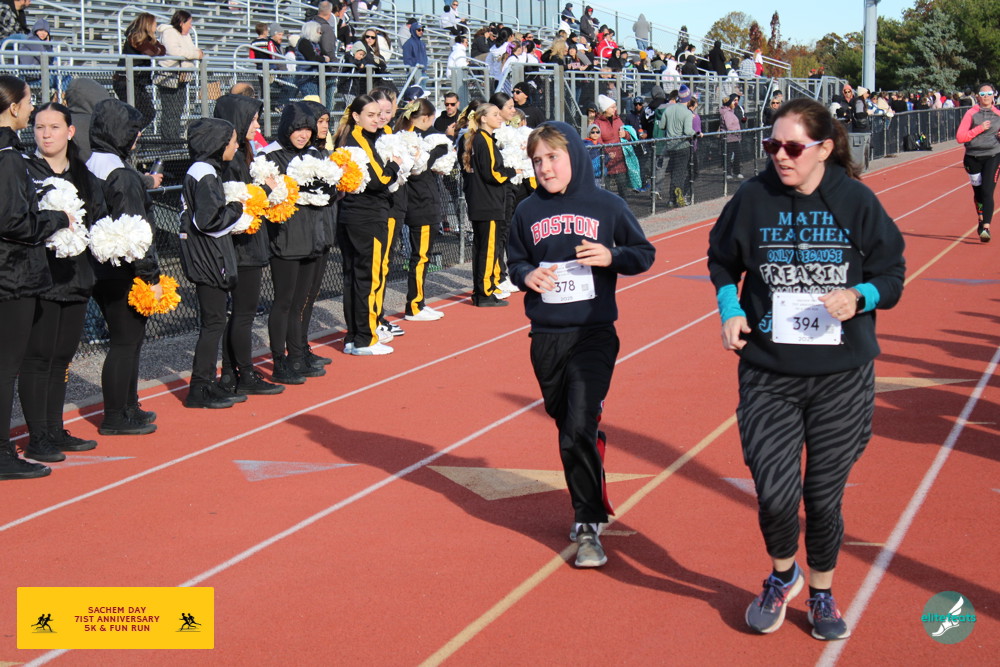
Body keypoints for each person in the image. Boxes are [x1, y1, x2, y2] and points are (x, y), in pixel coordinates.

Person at [707, 97, 905, 641]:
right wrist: (730, 308)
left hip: (841, 376)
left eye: (792, 147)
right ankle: (782, 574)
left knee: (821, 496)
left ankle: (821, 590)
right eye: (772, 145)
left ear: (823, 148)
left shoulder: (856, 201)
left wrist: (859, 296)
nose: (779, 155)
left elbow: (891, 275)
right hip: (768, 371)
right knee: (774, 493)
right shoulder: (753, 197)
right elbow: (722, 259)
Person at [507, 121, 654, 567]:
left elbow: (643, 253)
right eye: (537, 160)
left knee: (576, 427)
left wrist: (612, 256)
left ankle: (588, 524)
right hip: (546, 337)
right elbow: (515, 261)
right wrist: (527, 275)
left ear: (573, 155)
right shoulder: (526, 210)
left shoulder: (607, 205)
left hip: (594, 332)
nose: (545, 168)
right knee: (569, 426)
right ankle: (592, 449)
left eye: (553, 157)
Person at [19, 102, 106, 461]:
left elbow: (99, 219)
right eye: (39, 127)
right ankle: (37, 436)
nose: (46, 134)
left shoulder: (84, 175)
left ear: (70, 132)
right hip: (39, 278)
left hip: (76, 278)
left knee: (61, 358)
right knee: (38, 357)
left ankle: (54, 429)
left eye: (54, 127)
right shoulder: (25, 171)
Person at [0, 77, 69, 479]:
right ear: (13, 108)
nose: (31, 108)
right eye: (28, 102)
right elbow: (13, 222)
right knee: (7, 367)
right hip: (12, 275)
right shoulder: (9, 156)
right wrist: (56, 218)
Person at [87, 98, 162, 435]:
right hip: (122, 269)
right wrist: (151, 276)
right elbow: (136, 230)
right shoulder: (119, 172)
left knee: (128, 340)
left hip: (97, 265)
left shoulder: (89, 163)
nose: (138, 136)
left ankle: (129, 407)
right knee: (126, 341)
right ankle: (116, 415)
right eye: (134, 130)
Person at [213, 93, 285, 397]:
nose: (257, 126)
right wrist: (266, 191)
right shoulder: (230, 161)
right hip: (242, 245)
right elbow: (240, 203)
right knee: (243, 314)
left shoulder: (244, 154)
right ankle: (244, 374)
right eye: (253, 120)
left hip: (249, 242)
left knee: (241, 314)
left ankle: (231, 374)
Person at [179, 118, 249, 409]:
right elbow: (208, 221)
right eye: (231, 140)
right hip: (206, 257)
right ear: (217, 144)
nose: (236, 145)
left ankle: (206, 382)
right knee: (214, 322)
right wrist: (237, 209)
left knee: (215, 321)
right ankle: (200, 387)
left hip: (205, 255)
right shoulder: (205, 173)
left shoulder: (203, 170)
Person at [259, 103, 328, 381]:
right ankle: (279, 361)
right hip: (285, 239)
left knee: (301, 301)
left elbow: (327, 192)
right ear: (286, 128)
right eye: (298, 129)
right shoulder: (268, 155)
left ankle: (297, 356)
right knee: (284, 302)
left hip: (312, 236)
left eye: (308, 129)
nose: (303, 134)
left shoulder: (314, 153)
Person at [334, 93, 401, 354]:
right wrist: (394, 165)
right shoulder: (358, 140)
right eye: (370, 115)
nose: (377, 119)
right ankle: (365, 337)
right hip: (367, 217)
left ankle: (354, 337)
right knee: (367, 278)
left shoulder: (356, 138)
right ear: (356, 116)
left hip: (354, 216)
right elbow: (378, 179)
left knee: (353, 278)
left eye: (379, 114)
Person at [394, 99, 448, 322]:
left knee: (422, 256)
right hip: (420, 203)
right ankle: (414, 305)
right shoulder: (410, 139)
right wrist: (437, 151)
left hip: (421, 201)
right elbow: (418, 167)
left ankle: (418, 302)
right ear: (425, 118)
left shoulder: (411, 136)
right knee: (421, 256)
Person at [461, 103, 515, 307]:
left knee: (481, 247)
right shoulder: (483, 139)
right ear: (483, 118)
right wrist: (513, 172)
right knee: (488, 248)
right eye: (495, 114)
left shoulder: (478, 139)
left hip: (482, 201)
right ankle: (484, 292)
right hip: (488, 202)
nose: (499, 117)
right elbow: (492, 173)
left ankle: (481, 290)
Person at [956, 83, 1000, 242]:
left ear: (994, 95)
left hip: (993, 155)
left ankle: (986, 227)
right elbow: (960, 137)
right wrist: (979, 128)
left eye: (989, 93)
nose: (986, 96)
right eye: (982, 94)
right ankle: (981, 219)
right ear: (978, 97)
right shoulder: (971, 113)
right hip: (972, 157)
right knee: (979, 192)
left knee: (987, 191)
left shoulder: (998, 114)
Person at [155, 9, 203, 142]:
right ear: (182, 23)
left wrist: (196, 53)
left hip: (182, 77)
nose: (190, 26)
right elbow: (174, 51)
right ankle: (168, 140)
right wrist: (195, 54)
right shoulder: (169, 32)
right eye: (189, 23)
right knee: (170, 111)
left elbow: (192, 50)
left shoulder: (186, 36)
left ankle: (174, 138)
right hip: (168, 77)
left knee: (178, 110)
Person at [114, 13, 164, 128]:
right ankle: (129, 134)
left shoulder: (148, 39)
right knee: (143, 113)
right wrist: (155, 48)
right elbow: (150, 51)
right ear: (148, 24)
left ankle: (131, 134)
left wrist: (155, 47)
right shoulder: (135, 37)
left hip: (137, 82)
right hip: (126, 81)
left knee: (144, 113)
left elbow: (162, 50)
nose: (156, 26)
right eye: (154, 23)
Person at [661, 89, 697, 207]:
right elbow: (688, 131)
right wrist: (697, 134)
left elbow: (662, 125)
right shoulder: (687, 113)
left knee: (675, 172)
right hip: (682, 146)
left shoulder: (669, 109)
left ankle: (672, 199)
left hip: (670, 146)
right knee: (679, 173)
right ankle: (676, 199)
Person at [593, 94, 629, 198]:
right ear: (605, 109)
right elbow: (597, 141)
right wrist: (607, 153)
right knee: (607, 191)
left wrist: (625, 134)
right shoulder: (598, 123)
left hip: (620, 159)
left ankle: (623, 206)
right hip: (606, 161)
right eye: (612, 107)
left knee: (623, 188)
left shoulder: (618, 120)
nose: (615, 109)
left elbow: (628, 135)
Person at [720, 93, 743, 179]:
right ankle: (728, 173)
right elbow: (729, 126)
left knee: (737, 155)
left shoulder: (732, 112)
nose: (735, 103)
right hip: (729, 138)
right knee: (728, 156)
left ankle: (736, 171)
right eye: (733, 101)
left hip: (735, 138)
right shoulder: (727, 113)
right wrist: (737, 131)